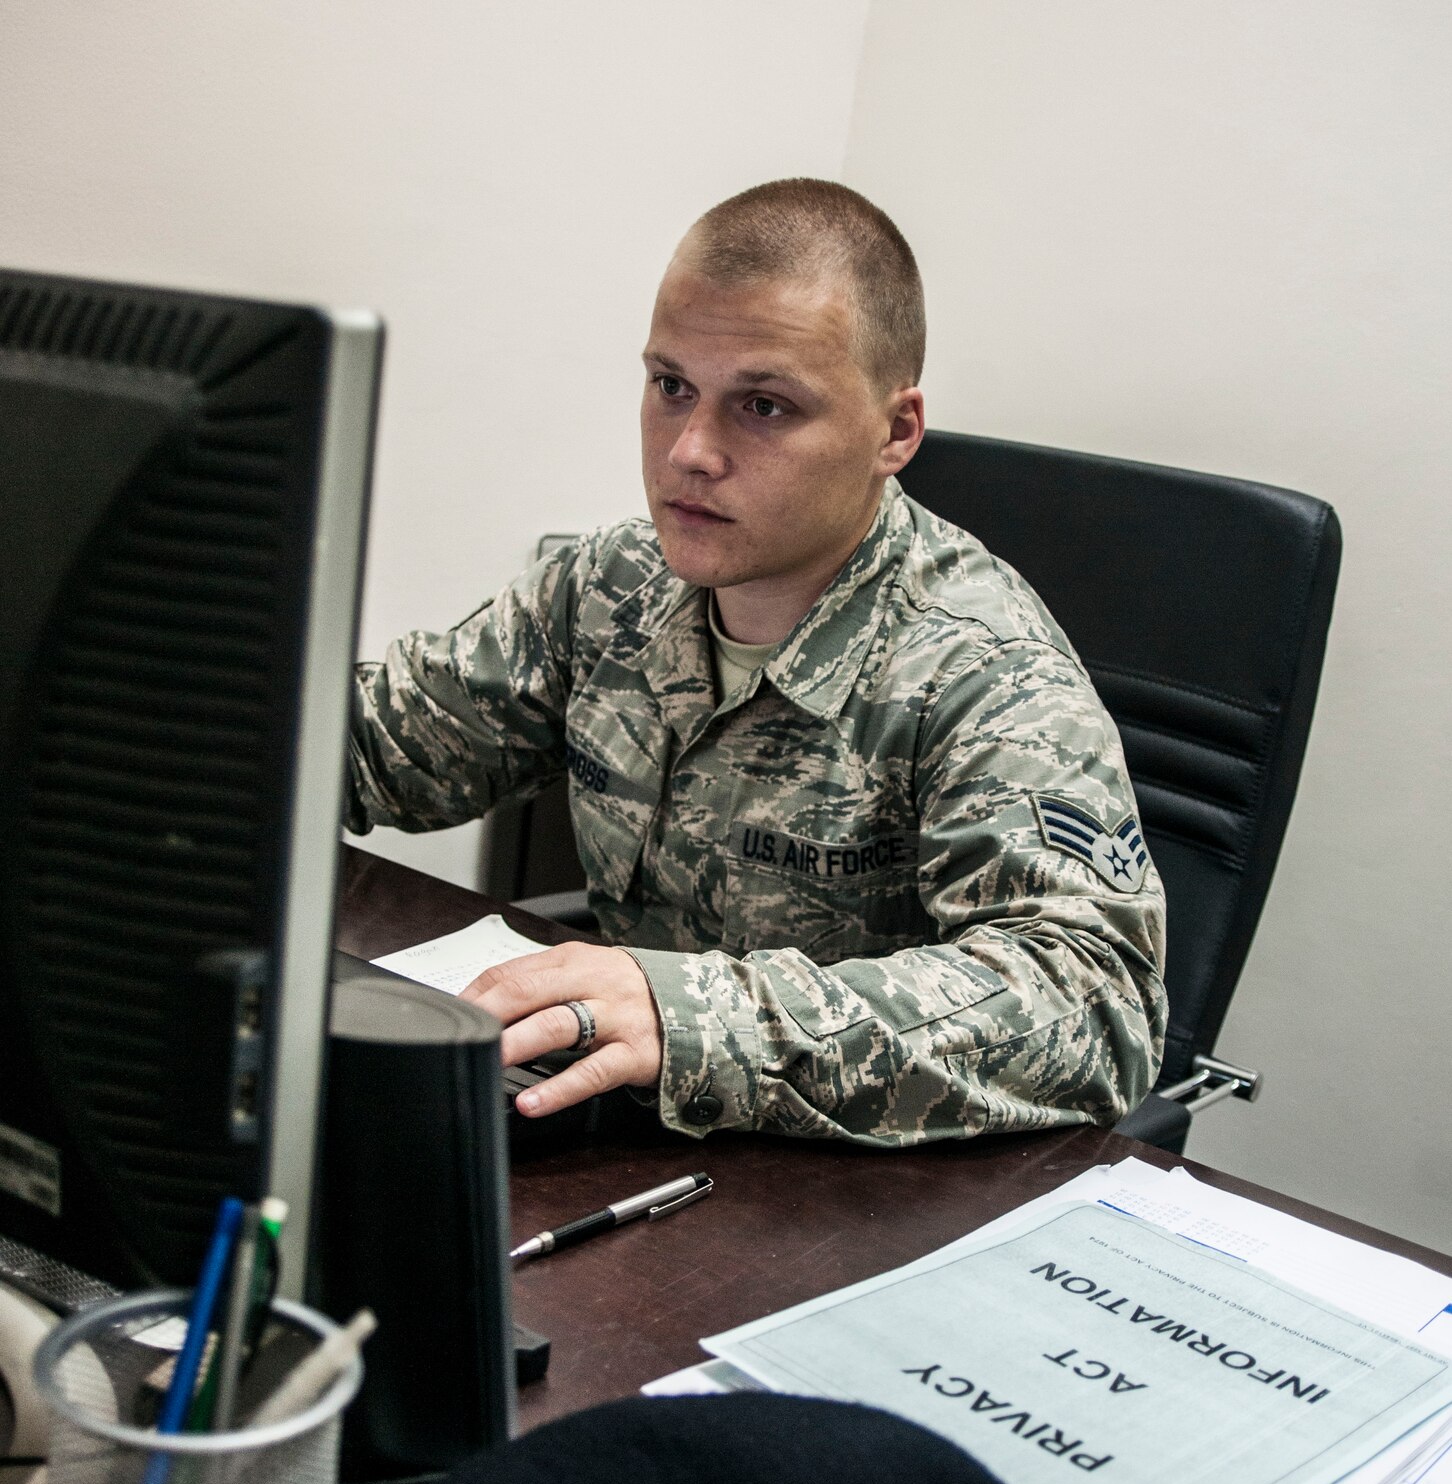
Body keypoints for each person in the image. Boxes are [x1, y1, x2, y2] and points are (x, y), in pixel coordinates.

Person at [348, 179, 1167, 1146]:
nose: (690, 451)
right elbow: (373, 747)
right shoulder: (610, 584)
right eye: (671, 387)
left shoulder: (983, 671)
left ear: (895, 432)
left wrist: (691, 1016)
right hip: (609, 1134)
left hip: (844, 1200)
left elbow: (1094, 1009)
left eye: (765, 407)